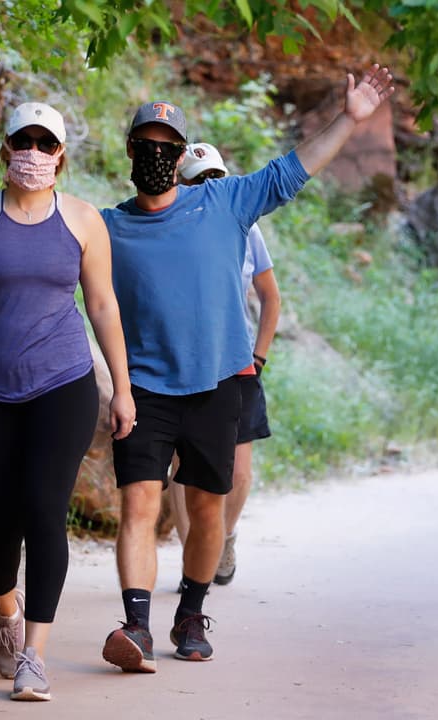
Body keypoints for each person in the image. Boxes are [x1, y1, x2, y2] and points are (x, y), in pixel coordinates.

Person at [0, 63, 394, 672]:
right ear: (130, 150)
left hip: (218, 382)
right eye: (147, 146)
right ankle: (136, 625)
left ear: (181, 156)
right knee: (140, 504)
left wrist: (349, 118)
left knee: (207, 508)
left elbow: (295, 168)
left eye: (168, 148)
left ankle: (192, 609)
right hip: (146, 388)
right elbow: (34, 239)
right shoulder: (108, 225)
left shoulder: (226, 201)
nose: (157, 155)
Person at [0, 101, 136, 702]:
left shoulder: (85, 221)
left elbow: (104, 306)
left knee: (43, 511)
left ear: (61, 154)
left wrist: (122, 386)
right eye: (24, 140)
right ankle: (6, 612)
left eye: (46, 143)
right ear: (6, 146)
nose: (34, 152)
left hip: (63, 383)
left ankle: (33, 655)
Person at [167, 142, 281, 588]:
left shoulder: (246, 227)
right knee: (183, 465)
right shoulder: (169, 228)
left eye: (216, 178)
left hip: (238, 362)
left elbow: (271, 297)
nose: (209, 188)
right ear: (182, 185)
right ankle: (192, 555)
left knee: (238, 472)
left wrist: (259, 354)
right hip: (184, 361)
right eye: (199, 180)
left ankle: (224, 536)